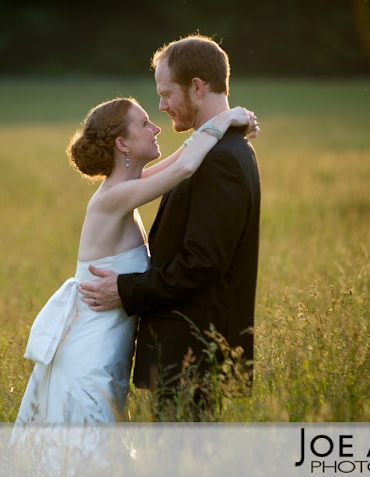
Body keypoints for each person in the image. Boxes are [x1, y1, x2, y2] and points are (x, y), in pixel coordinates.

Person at [14, 97, 257, 424]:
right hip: (91, 354)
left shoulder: (128, 186)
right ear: (122, 143)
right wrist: (224, 120)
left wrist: (229, 122)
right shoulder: (113, 198)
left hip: (109, 350)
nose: (156, 127)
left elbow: (184, 155)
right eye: (144, 124)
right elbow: (185, 168)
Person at [78, 34, 261, 419]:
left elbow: (203, 263)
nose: (160, 110)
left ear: (197, 87)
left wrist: (126, 290)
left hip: (193, 350)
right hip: (177, 351)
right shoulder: (212, 152)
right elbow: (181, 164)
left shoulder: (222, 158)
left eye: (165, 94)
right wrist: (229, 117)